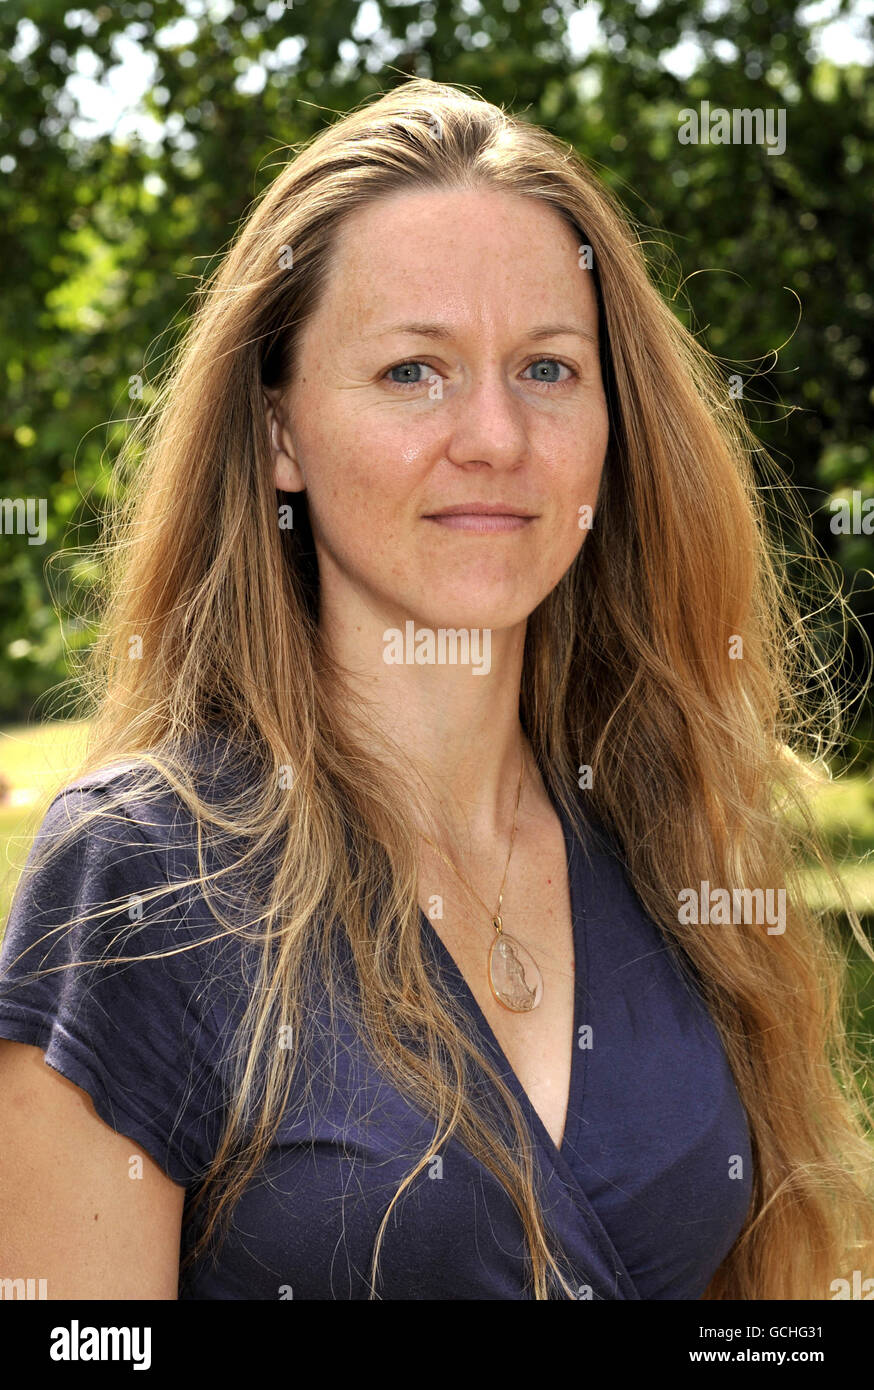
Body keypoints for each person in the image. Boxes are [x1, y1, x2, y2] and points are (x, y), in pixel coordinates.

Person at [0, 78, 871, 1301]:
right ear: (279, 435)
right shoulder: (145, 875)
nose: (496, 437)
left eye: (549, 369)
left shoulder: (671, 818)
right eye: (414, 370)